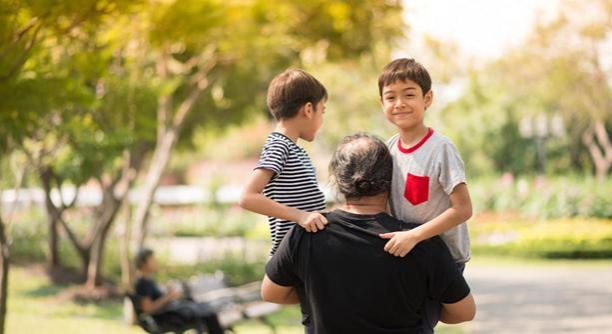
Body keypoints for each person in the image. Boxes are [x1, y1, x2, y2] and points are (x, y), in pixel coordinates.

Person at [261, 133, 476, 334]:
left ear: (338, 179)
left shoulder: (307, 232)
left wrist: (319, 298)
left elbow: (271, 292)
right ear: (391, 180)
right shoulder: (418, 241)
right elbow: (464, 312)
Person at [377, 58, 474, 333]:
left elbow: (463, 209)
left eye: (409, 94)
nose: (400, 103)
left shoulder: (441, 148)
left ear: (427, 98)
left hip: (443, 257)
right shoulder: (388, 149)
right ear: (381, 104)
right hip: (406, 254)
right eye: (391, 97)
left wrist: (415, 236)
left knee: (421, 323)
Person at [238, 68, 329, 331]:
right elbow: (247, 197)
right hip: (297, 251)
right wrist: (301, 216)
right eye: (323, 111)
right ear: (308, 109)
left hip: (309, 249)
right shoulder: (280, 145)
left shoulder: (294, 149)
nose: (322, 119)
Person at [134, 249, 224, 334]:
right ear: (143, 263)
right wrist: (168, 297)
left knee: (206, 311)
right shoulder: (142, 283)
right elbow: (149, 309)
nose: (156, 262)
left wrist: (169, 294)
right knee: (208, 315)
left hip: (170, 313)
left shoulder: (147, 280)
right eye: (152, 260)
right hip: (165, 318)